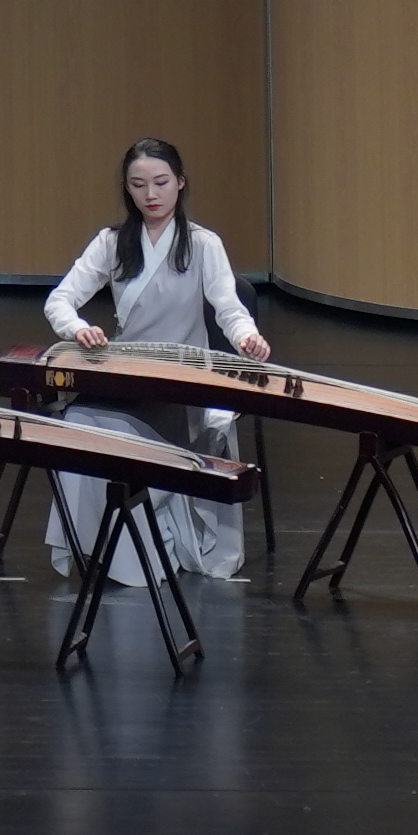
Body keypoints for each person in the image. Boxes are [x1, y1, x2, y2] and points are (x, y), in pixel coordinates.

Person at [39, 134, 267, 586]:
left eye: (161, 182)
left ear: (180, 182)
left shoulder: (202, 244)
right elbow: (59, 301)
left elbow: (228, 307)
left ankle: (130, 558)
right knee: (78, 424)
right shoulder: (112, 243)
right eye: (138, 185)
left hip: (180, 384)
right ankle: (94, 548)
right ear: (127, 188)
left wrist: (247, 337)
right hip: (128, 374)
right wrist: (77, 329)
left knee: (120, 433)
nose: (151, 195)